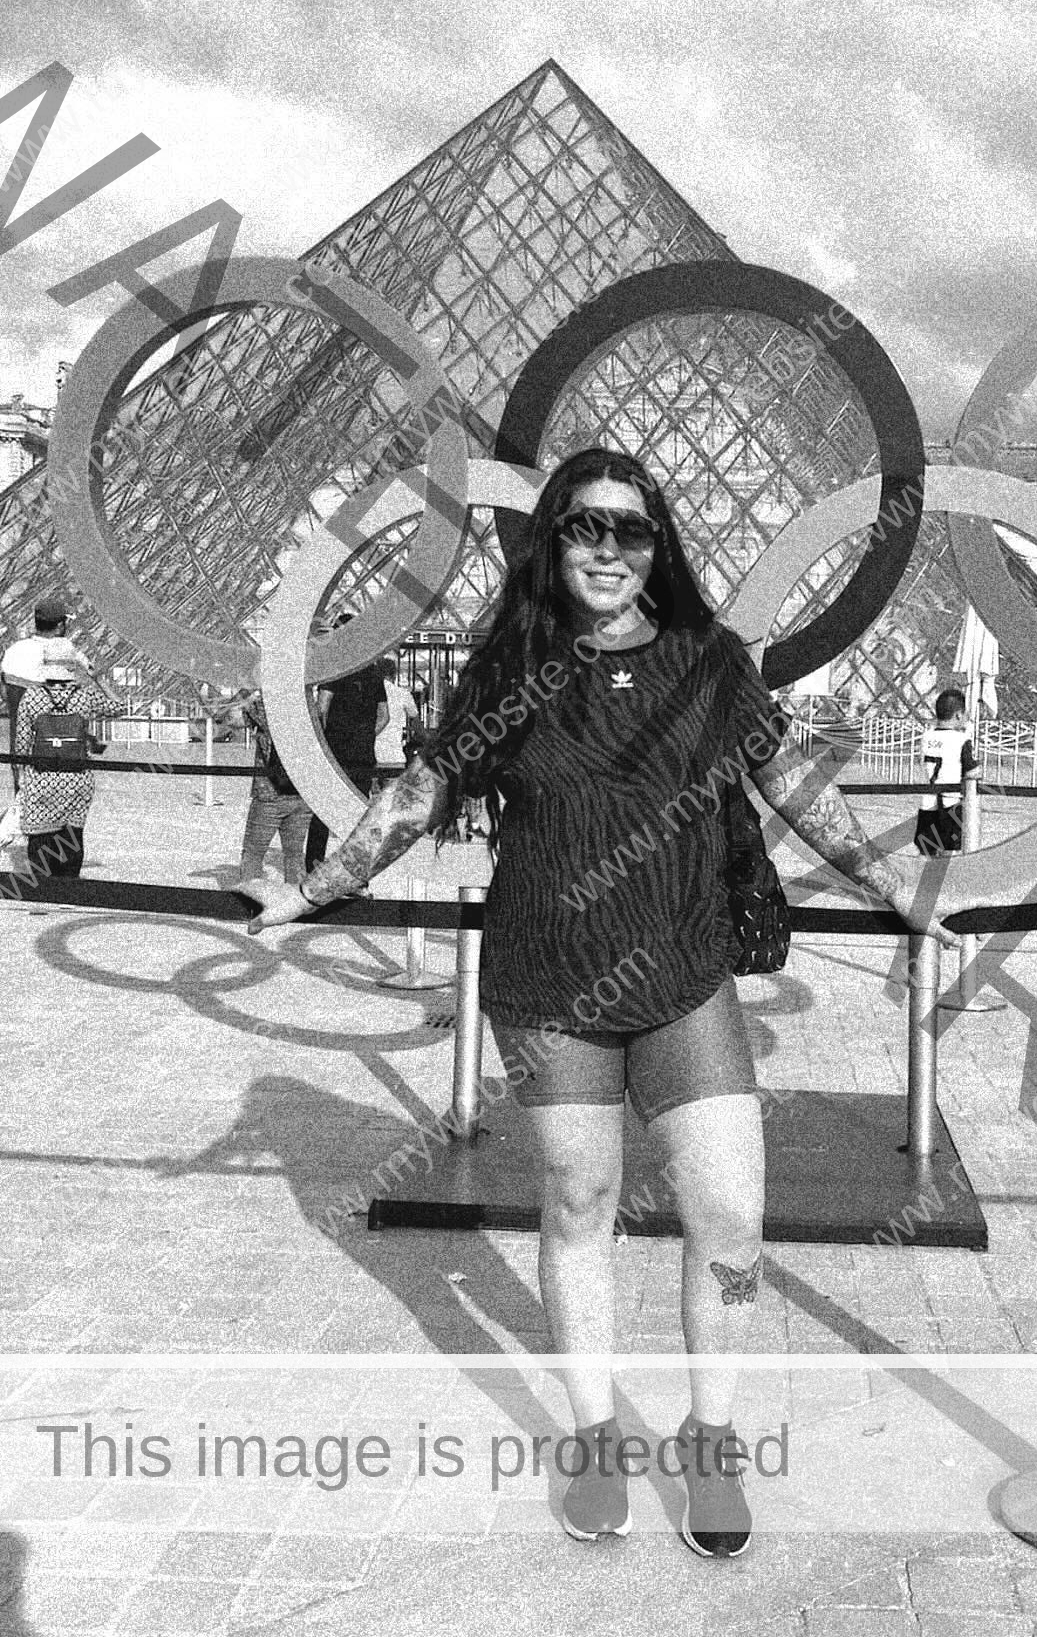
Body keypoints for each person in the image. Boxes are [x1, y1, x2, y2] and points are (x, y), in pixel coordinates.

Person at [242, 448, 966, 1556]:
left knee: (729, 1211)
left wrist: (902, 893)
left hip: (682, 978)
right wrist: (317, 890)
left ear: (657, 547)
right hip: (547, 985)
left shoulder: (712, 663)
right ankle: (592, 1434)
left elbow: (798, 790)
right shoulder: (509, 671)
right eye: (586, 528)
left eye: (632, 531)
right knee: (578, 1203)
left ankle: (710, 1437)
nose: (610, 550)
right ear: (554, 542)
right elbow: (421, 794)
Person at [12, 645, 122, 883]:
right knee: (71, 837)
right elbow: (120, 707)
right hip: (76, 779)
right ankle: (69, 890)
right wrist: (98, 679)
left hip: (41, 778)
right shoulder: (84, 696)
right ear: (72, 667)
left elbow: (21, 745)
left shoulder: (31, 696)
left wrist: (22, 778)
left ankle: (42, 890)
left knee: (40, 837)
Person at [303, 618, 388, 870]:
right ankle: (356, 871)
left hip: (335, 752)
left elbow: (321, 709)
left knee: (323, 811)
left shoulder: (334, 668)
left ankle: (315, 866)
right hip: (363, 754)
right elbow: (384, 716)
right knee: (359, 814)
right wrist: (365, 736)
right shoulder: (372, 670)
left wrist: (325, 741)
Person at [3, 598, 93, 792]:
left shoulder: (13, 651)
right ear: (60, 626)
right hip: (55, 750)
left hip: (21, 751)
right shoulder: (64, 655)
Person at [223, 687, 311, 886]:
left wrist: (245, 689)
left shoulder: (264, 705)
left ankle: (252, 902)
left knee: (254, 853)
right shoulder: (307, 706)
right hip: (301, 792)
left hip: (269, 792)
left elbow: (231, 720)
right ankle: (293, 904)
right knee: (294, 855)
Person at [914, 688, 978, 855]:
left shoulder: (925, 737)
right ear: (958, 715)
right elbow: (971, 772)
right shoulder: (961, 740)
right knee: (950, 852)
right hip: (950, 803)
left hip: (927, 802)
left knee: (926, 852)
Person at [375, 658, 420, 771]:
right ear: (394, 674)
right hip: (394, 757)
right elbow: (416, 722)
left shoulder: (369, 693)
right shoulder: (403, 694)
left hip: (372, 755)